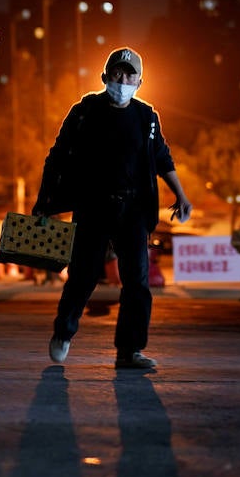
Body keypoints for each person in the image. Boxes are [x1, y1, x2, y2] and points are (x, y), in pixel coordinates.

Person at [33, 46, 193, 371]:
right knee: (83, 277)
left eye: (129, 74)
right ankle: (64, 331)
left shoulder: (147, 117)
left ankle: (129, 351)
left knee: (137, 282)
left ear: (140, 81)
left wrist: (182, 195)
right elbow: (58, 156)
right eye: (117, 73)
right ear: (105, 76)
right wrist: (44, 201)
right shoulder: (84, 110)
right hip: (92, 206)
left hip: (133, 208)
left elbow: (162, 158)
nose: (122, 80)